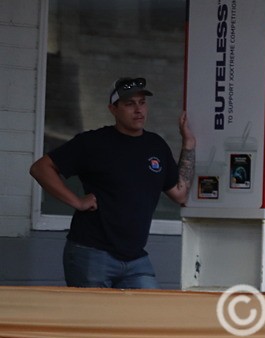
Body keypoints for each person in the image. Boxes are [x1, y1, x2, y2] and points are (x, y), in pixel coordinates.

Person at [29, 77, 195, 288]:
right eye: (129, 104)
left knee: (149, 316)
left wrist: (188, 143)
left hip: (136, 258)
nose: (138, 110)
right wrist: (77, 201)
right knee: (93, 320)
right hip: (91, 253)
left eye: (142, 102)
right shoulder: (93, 142)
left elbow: (180, 193)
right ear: (113, 109)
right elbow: (40, 168)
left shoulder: (156, 145)